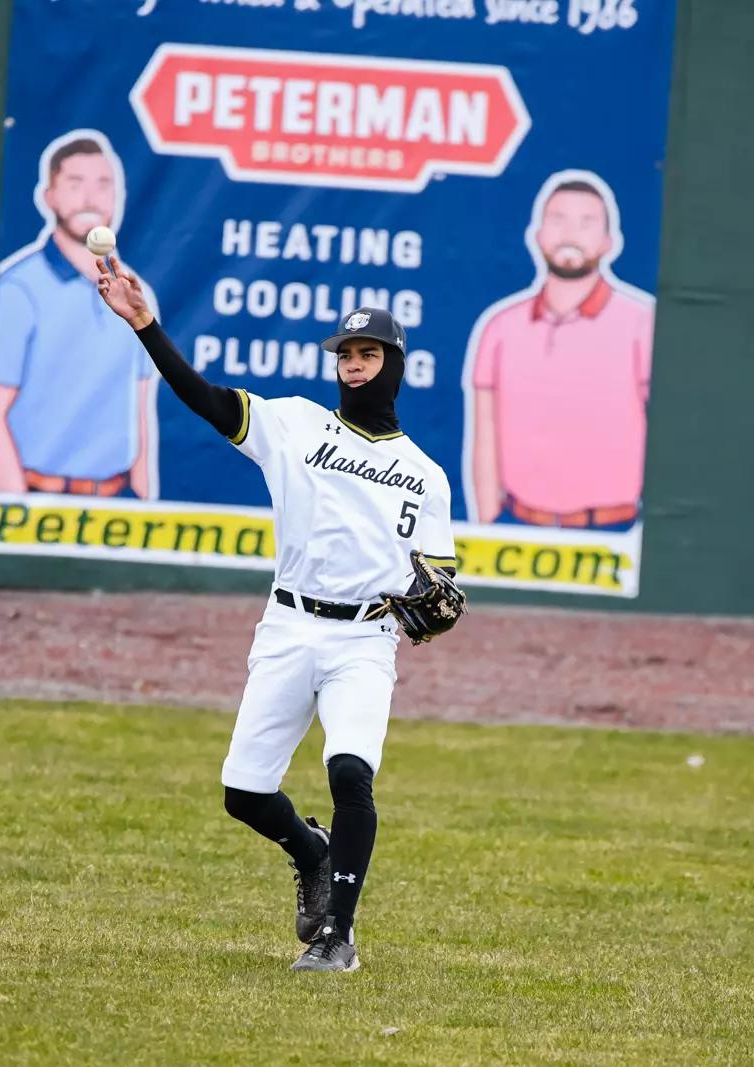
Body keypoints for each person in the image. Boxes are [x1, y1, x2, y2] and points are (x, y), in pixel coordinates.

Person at [95, 255, 462, 972]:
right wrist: (145, 324)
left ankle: (338, 937)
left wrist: (438, 606)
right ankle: (310, 850)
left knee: (350, 771)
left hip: (365, 638)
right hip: (289, 626)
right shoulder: (293, 424)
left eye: (368, 354)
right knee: (244, 792)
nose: (353, 365)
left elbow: (441, 578)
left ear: (393, 365)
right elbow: (205, 399)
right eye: (346, 354)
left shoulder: (427, 475)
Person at [466, 170, 655, 530]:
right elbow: (484, 441)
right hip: (519, 523)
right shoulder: (500, 328)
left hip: (614, 529)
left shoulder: (641, 325)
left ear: (609, 242)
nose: (571, 234)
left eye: (587, 223)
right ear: (537, 236)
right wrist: (488, 523)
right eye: (558, 220)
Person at [0, 130, 158, 498]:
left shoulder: (136, 293)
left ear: (118, 197)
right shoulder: (18, 289)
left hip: (118, 501)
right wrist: (20, 507)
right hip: (37, 498)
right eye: (75, 183)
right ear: (49, 196)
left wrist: (143, 502)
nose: (90, 198)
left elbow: (140, 411)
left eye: (103, 184)